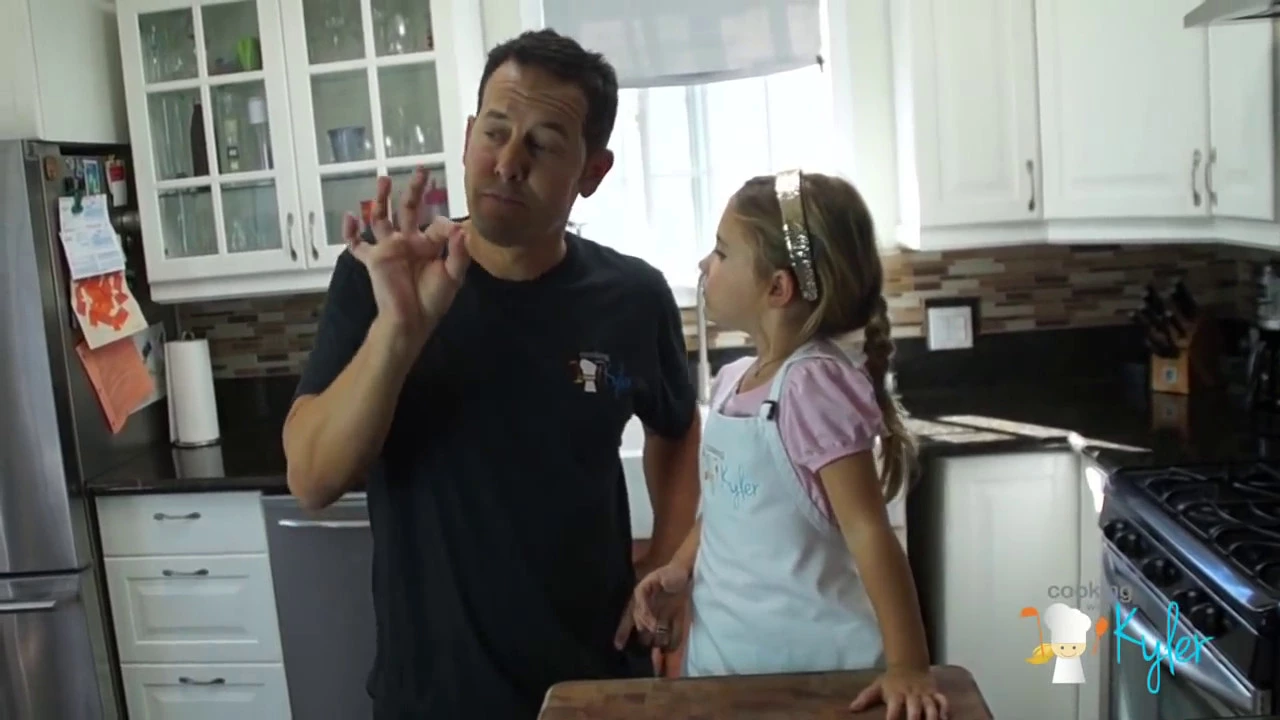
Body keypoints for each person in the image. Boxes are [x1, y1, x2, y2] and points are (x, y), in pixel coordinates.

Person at [282, 29, 701, 719]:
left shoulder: (631, 299)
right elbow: (312, 479)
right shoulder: (382, 279)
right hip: (432, 696)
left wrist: (666, 559)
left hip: (591, 688)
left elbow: (676, 426)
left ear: (592, 171)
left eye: (542, 144)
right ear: (470, 133)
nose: (508, 163)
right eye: (496, 133)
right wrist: (399, 331)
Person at [631, 170, 949, 720]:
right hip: (726, 673)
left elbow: (869, 531)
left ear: (778, 288)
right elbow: (731, 506)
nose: (705, 266)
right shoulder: (733, 381)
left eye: (722, 252)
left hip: (817, 682)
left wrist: (909, 666)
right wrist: (682, 567)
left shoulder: (811, 386)